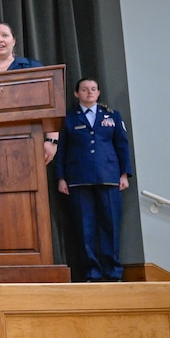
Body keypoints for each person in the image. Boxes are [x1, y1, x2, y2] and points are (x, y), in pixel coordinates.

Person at [55, 77, 133, 281]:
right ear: (76, 93)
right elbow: (61, 150)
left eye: (93, 89)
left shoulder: (112, 115)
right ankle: (92, 272)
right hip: (78, 178)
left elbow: (122, 146)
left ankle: (113, 272)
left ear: (98, 93)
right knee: (84, 227)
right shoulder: (69, 119)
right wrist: (61, 178)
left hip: (109, 177)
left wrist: (124, 174)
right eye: (84, 89)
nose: (89, 93)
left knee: (111, 226)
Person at [0, 16, 59, 163]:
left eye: (5, 35)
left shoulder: (33, 68)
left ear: (14, 41)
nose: (0, 40)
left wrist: (52, 140)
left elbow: (51, 106)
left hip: (29, 139)